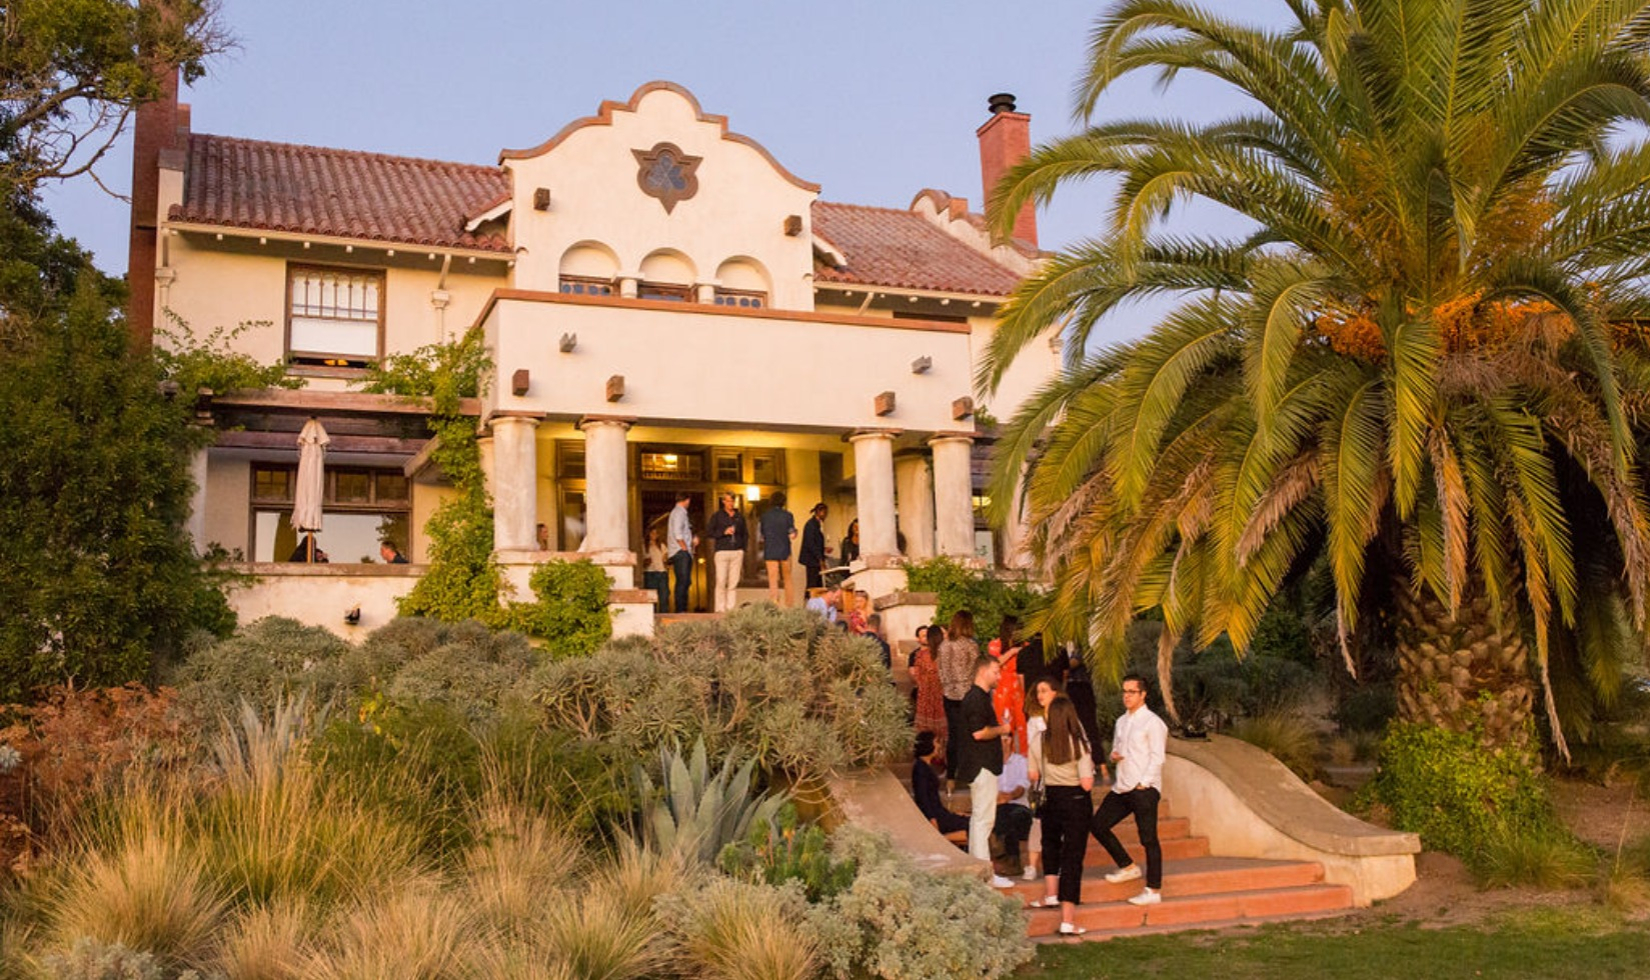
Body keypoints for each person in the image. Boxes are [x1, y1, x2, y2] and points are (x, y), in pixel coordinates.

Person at [1091, 673, 1169, 906]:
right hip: (1122, 787)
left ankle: (1153, 890)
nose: (1126, 696)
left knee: (1148, 839)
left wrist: (1144, 783)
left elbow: (1158, 757)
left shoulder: (1153, 723)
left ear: (1143, 694)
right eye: (1124, 691)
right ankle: (1127, 866)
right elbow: (1118, 748)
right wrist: (1115, 756)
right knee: (1098, 825)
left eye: (1131, 692)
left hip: (1143, 788)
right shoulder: (1121, 721)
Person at [1028, 683, 1099, 936]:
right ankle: (1068, 919)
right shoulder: (1078, 744)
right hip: (1076, 800)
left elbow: (1033, 774)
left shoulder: (1038, 741)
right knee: (1072, 858)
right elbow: (1087, 783)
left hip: (1050, 798)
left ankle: (1051, 894)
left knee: (1050, 845)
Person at [956, 655, 1014, 888]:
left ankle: (981, 873)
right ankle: (983, 875)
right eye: (996, 671)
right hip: (981, 766)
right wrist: (1004, 729)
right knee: (983, 820)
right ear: (982, 671)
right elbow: (979, 733)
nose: (999, 676)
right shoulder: (975, 699)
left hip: (983, 765)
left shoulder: (978, 698)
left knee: (981, 820)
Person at [936, 610, 979, 789]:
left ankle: (951, 777)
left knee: (953, 735)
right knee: (970, 736)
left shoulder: (943, 645)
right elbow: (975, 669)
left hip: (949, 694)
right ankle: (970, 775)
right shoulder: (970, 645)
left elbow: (941, 670)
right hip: (967, 694)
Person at [909, 731, 969, 837]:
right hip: (935, 816)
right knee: (971, 826)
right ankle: (944, 840)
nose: (939, 746)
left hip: (940, 813)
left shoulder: (926, 767)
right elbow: (923, 798)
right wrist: (932, 819)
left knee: (971, 821)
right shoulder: (920, 768)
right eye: (936, 742)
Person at [994, 744, 1035, 878]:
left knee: (1012, 815)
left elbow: (1022, 786)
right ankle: (1010, 859)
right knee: (1000, 814)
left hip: (1019, 806)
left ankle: (1011, 859)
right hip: (998, 806)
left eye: (1006, 738)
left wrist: (1009, 796)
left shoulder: (1021, 762)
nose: (1003, 741)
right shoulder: (991, 763)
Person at [989, 616, 1028, 755]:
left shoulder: (1026, 645)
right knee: (1005, 727)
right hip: (1002, 690)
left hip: (1021, 689)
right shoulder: (995, 644)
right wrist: (1011, 652)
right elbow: (994, 663)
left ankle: (1025, 762)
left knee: (1024, 726)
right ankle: (1006, 762)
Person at [707, 492, 748, 613]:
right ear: (723, 501)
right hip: (722, 551)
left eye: (732, 501)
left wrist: (743, 549)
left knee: (733, 582)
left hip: (736, 552)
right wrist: (723, 532)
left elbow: (745, 534)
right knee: (721, 580)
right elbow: (709, 532)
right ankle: (720, 609)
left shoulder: (739, 517)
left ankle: (730, 609)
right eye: (728, 501)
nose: (730, 503)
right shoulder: (717, 516)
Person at [757, 491, 797, 606]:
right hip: (785, 551)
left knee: (773, 580)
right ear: (783, 502)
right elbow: (792, 534)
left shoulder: (765, 516)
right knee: (787, 579)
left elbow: (762, 535)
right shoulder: (788, 515)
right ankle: (789, 606)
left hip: (770, 550)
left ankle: (775, 605)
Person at [910, 622, 947, 744]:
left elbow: (917, 676)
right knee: (942, 731)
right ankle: (941, 755)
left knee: (925, 731)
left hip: (925, 697)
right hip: (941, 696)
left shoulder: (921, 655)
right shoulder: (946, 655)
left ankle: (926, 753)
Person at [666, 491, 696, 613]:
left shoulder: (679, 513)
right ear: (687, 500)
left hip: (682, 551)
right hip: (680, 552)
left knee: (685, 581)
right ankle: (680, 609)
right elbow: (677, 533)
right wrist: (684, 547)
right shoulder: (679, 513)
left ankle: (683, 607)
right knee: (683, 581)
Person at [798, 502, 829, 592]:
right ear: (819, 512)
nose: (826, 515)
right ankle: (809, 602)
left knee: (817, 584)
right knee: (813, 584)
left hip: (814, 559)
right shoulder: (811, 525)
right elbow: (811, 543)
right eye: (825, 512)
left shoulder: (815, 524)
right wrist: (820, 559)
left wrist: (823, 549)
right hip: (812, 560)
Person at [642, 526, 669, 612]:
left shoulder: (661, 546)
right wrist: (646, 562)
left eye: (656, 533)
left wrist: (666, 562)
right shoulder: (644, 546)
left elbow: (666, 557)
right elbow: (642, 561)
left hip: (661, 572)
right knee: (652, 597)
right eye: (652, 533)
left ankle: (664, 615)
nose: (654, 535)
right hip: (650, 573)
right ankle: (652, 615)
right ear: (649, 534)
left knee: (664, 596)